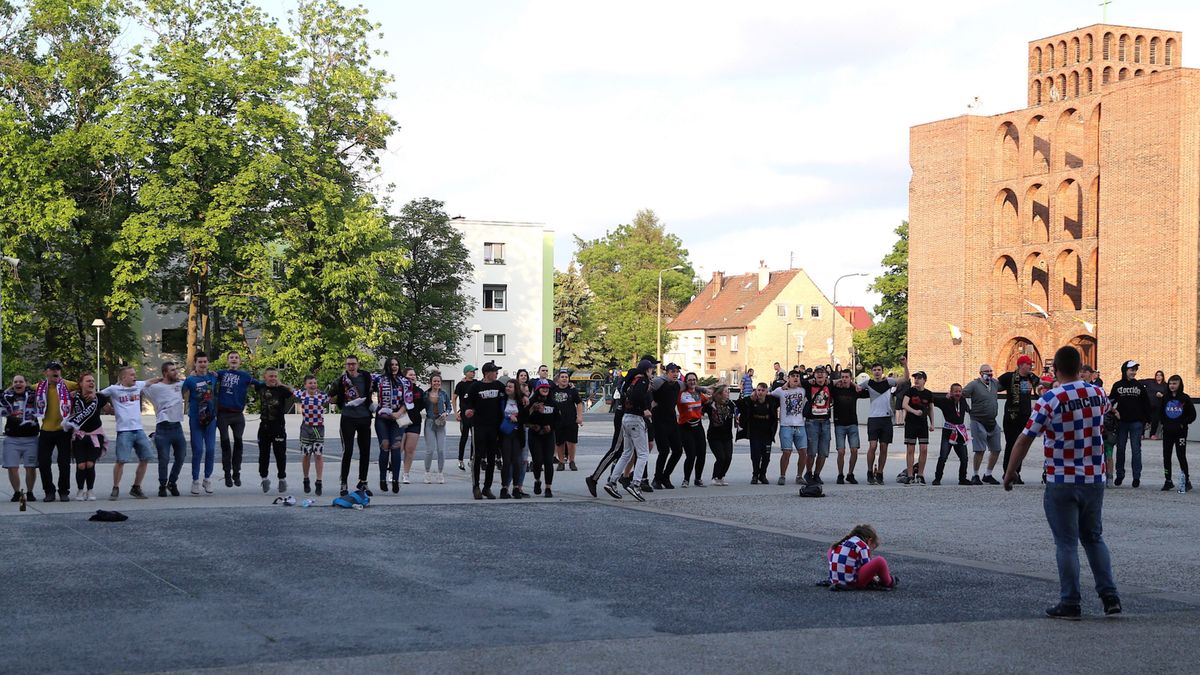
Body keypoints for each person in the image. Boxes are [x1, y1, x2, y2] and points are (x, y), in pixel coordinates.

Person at [1004, 345, 1120, 621]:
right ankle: (1110, 596)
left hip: (1062, 478)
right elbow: (1104, 417)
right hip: (1094, 477)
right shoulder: (1098, 393)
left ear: (1055, 369)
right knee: (1094, 537)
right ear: (1080, 367)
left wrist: (1010, 472)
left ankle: (1070, 602)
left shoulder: (1050, 399)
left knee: (1066, 543)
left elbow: (1025, 437)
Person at [100, 366, 154, 500]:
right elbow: (99, 396)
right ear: (123, 377)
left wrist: (164, 378)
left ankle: (136, 487)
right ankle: (115, 487)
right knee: (121, 460)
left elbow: (151, 381)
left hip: (138, 429)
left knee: (146, 457)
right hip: (124, 431)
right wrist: (107, 407)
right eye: (131, 375)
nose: (134, 377)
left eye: (135, 374)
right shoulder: (114, 389)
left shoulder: (138, 385)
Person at [604, 359, 654, 501]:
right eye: (651, 369)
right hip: (636, 419)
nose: (652, 372)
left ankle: (612, 481)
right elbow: (637, 395)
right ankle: (636, 483)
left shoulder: (630, 379)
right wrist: (644, 409)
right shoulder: (642, 380)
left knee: (627, 452)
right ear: (647, 369)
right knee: (643, 453)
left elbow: (625, 393)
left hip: (626, 417)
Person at [328, 355, 373, 496]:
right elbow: (329, 396)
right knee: (347, 451)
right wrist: (337, 401)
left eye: (353, 364)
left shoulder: (366, 376)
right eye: (348, 364)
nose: (351, 367)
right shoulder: (342, 380)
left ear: (358, 364)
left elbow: (375, 388)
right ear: (345, 366)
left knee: (365, 451)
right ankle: (344, 482)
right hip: (348, 418)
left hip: (364, 417)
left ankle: (363, 481)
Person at [62, 372, 109, 501]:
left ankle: (90, 490)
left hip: (95, 435)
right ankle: (80, 490)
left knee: (90, 464)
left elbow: (109, 410)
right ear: (81, 384)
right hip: (79, 435)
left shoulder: (99, 397)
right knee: (81, 465)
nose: (91, 383)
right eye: (88, 381)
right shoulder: (74, 397)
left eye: (93, 381)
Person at [35, 361, 78, 502]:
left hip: (63, 431)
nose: (56, 372)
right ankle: (49, 491)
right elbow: (21, 389)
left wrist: (76, 392)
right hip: (46, 431)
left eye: (58, 369)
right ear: (46, 372)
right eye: (52, 369)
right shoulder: (39, 387)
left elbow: (86, 386)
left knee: (64, 463)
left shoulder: (68, 384)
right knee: (43, 462)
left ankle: (64, 491)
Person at [215, 351, 259, 487]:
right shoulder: (221, 374)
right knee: (225, 444)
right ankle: (227, 473)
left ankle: (236, 472)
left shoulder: (245, 376)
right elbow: (207, 377)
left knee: (238, 443)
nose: (234, 359)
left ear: (240, 361)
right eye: (231, 358)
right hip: (223, 414)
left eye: (236, 358)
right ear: (227, 361)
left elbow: (260, 384)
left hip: (238, 415)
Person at [143, 362, 186, 497]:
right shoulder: (156, 388)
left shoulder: (179, 385)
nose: (176, 372)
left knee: (181, 456)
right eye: (172, 370)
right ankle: (162, 484)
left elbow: (193, 380)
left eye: (176, 369)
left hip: (177, 427)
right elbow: (140, 386)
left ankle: (172, 482)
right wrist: (153, 380)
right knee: (164, 458)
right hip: (163, 427)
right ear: (165, 373)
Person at [864, 357, 909, 485]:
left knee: (884, 447)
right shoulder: (868, 383)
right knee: (872, 446)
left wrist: (905, 365)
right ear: (872, 372)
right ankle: (869, 471)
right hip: (873, 418)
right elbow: (854, 386)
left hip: (886, 419)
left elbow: (905, 379)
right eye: (874, 370)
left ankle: (880, 473)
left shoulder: (889, 382)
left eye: (879, 370)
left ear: (882, 371)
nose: (877, 372)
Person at [997, 354, 1041, 484]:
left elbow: (1040, 386)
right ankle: (1008, 473)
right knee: (1011, 445)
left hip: (1025, 417)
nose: (1031, 366)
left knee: (1021, 446)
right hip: (1012, 417)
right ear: (1021, 365)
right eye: (1029, 364)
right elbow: (995, 387)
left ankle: (1017, 473)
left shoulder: (1031, 378)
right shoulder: (1009, 377)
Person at [465, 361, 505, 500]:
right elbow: (467, 403)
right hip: (479, 426)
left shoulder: (499, 386)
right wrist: (468, 411)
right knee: (478, 456)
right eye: (495, 371)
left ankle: (487, 487)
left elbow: (509, 397)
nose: (497, 373)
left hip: (494, 426)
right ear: (487, 373)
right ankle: (476, 486)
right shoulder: (476, 386)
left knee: (492, 458)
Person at [1108, 360, 1151, 487]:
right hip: (1121, 422)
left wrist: (1148, 420)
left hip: (1136, 422)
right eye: (1131, 370)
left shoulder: (1139, 387)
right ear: (1125, 370)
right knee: (1120, 449)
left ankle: (1136, 477)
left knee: (1136, 450)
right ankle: (1120, 474)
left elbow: (1146, 404)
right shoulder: (1117, 385)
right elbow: (1110, 401)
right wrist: (1112, 412)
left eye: (1135, 370)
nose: (1134, 372)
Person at [254, 368, 296, 494]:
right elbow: (247, 381)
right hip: (264, 426)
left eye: (275, 376)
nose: (273, 378)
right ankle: (264, 478)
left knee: (280, 454)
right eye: (270, 376)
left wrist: (282, 384)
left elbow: (294, 393)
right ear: (265, 377)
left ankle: (282, 478)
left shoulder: (282, 390)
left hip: (278, 427)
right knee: (263, 454)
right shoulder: (260, 387)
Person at [372, 358, 411, 493]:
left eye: (396, 364)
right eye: (391, 364)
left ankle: (395, 479)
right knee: (385, 445)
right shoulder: (379, 379)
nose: (394, 367)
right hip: (382, 417)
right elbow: (365, 386)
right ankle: (382, 478)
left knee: (396, 447)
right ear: (387, 366)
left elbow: (409, 400)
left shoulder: (405, 381)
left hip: (398, 417)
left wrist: (398, 413)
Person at [962, 364, 1003, 485]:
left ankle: (988, 474)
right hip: (978, 420)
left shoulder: (994, 383)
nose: (989, 373)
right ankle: (975, 475)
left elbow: (1005, 385)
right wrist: (967, 409)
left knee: (996, 449)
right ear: (980, 373)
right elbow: (961, 394)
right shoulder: (974, 385)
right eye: (986, 371)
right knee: (980, 450)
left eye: (991, 371)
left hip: (992, 421)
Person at [3, 375, 41, 502]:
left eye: (21, 381)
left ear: (26, 383)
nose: (18, 384)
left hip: (30, 437)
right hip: (12, 438)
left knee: (30, 467)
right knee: (12, 467)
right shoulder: (6, 396)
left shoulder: (34, 395)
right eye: (15, 382)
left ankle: (30, 492)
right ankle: (17, 492)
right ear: (12, 383)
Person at [827, 524, 896, 590]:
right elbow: (868, 568)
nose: (870, 553)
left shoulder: (842, 543)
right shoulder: (863, 546)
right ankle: (889, 582)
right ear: (869, 541)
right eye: (871, 549)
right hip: (852, 582)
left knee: (833, 551)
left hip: (834, 580)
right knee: (880, 561)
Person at [770, 369, 808, 486]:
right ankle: (782, 475)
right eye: (793, 376)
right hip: (786, 425)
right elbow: (769, 394)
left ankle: (799, 476)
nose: (795, 378)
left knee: (803, 452)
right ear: (788, 378)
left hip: (800, 425)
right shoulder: (781, 391)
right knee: (787, 452)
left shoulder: (803, 390)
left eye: (797, 376)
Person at [831, 368, 868, 484]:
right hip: (839, 424)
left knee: (854, 450)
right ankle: (840, 474)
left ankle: (850, 474)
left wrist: (854, 384)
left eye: (847, 377)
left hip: (852, 423)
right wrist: (837, 381)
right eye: (842, 377)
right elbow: (827, 384)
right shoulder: (836, 389)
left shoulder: (854, 389)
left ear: (851, 378)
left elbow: (867, 389)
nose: (844, 379)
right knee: (841, 451)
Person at [651, 363, 685, 489]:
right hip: (659, 420)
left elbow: (693, 386)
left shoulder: (679, 384)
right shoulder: (659, 382)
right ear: (667, 372)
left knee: (678, 450)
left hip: (671, 420)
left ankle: (666, 476)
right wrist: (650, 403)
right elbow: (645, 390)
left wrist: (706, 389)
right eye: (673, 371)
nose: (676, 374)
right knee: (664, 451)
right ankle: (657, 479)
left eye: (677, 371)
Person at [1159, 374, 1194, 492]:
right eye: (1170, 383)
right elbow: (1161, 413)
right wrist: (1164, 423)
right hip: (1168, 432)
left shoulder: (1185, 398)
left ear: (1180, 385)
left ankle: (1186, 480)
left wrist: (1183, 423)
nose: (1172, 386)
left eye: (1175, 383)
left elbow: (1192, 415)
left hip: (1180, 433)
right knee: (1166, 456)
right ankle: (1168, 480)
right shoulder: (1165, 398)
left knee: (1181, 456)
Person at [738, 383, 779, 484]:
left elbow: (782, 395)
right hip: (754, 433)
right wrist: (749, 398)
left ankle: (763, 474)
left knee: (766, 456)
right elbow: (739, 404)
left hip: (767, 433)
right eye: (759, 390)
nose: (760, 392)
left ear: (766, 392)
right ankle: (755, 474)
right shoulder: (751, 401)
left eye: (762, 390)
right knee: (755, 455)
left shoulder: (772, 401)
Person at [932, 383, 971, 486]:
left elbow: (968, 410)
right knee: (943, 456)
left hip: (960, 433)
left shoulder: (963, 400)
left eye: (959, 391)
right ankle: (937, 478)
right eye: (955, 391)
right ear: (951, 392)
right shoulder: (945, 401)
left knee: (964, 458)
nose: (958, 393)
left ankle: (962, 479)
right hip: (948, 432)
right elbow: (932, 398)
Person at [295, 375, 329, 496]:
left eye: (315, 383)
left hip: (318, 428)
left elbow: (333, 398)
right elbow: (289, 389)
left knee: (318, 455)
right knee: (306, 454)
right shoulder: (302, 395)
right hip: (306, 427)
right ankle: (306, 479)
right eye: (310, 383)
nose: (313, 385)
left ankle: (319, 481)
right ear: (305, 385)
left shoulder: (322, 396)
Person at [900, 371, 935, 484]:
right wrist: (914, 411)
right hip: (911, 423)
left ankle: (920, 474)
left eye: (919, 378)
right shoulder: (910, 391)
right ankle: (910, 475)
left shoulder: (928, 394)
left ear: (924, 380)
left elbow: (930, 409)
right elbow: (904, 404)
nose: (916, 380)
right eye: (915, 378)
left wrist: (932, 423)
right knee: (910, 449)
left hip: (922, 424)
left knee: (924, 449)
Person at [526, 377, 560, 497]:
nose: (545, 389)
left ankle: (548, 487)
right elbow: (524, 420)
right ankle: (537, 480)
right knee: (537, 460)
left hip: (548, 435)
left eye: (546, 388)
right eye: (542, 388)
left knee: (548, 461)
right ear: (537, 389)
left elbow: (558, 420)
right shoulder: (531, 402)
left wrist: (551, 427)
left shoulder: (553, 403)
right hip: (535, 434)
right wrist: (532, 410)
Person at [676, 372, 710, 487]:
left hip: (698, 426)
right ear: (686, 382)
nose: (692, 382)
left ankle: (698, 479)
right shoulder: (681, 394)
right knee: (691, 455)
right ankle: (686, 480)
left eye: (694, 379)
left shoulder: (699, 394)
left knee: (701, 453)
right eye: (690, 380)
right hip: (685, 427)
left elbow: (709, 399)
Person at [802, 367, 834, 484]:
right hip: (812, 422)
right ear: (814, 375)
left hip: (825, 422)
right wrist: (809, 379)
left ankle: (817, 474)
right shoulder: (809, 385)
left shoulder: (830, 385)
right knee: (811, 451)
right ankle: (808, 473)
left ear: (826, 375)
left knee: (824, 452)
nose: (820, 375)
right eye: (818, 373)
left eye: (822, 373)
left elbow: (843, 381)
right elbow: (796, 381)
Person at [498, 379, 527, 498]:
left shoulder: (521, 401)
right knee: (506, 461)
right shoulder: (502, 400)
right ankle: (504, 488)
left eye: (510, 387)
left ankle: (516, 487)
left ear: (515, 389)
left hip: (517, 433)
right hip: (505, 433)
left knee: (517, 461)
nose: (508, 388)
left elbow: (525, 417)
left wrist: (518, 419)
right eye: (507, 386)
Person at [551, 369, 583, 471]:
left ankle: (572, 461)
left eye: (566, 377)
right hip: (557, 421)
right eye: (562, 377)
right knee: (559, 442)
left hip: (571, 420)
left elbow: (579, 403)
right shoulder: (553, 390)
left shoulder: (572, 390)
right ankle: (561, 462)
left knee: (571, 442)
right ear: (558, 379)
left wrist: (579, 416)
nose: (564, 379)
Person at [705, 385, 736, 485]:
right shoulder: (711, 405)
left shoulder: (730, 404)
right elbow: (699, 407)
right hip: (714, 436)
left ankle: (721, 476)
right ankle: (714, 477)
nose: (728, 393)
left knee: (728, 457)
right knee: (721, 457)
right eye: (726, 391)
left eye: (728, 391)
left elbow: (737, 412)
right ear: (720, 394)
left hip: (727, 435)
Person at [423, 372, 451, 484]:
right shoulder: (426, 394)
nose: (436, 383)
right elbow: (420, 405)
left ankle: (440, 473)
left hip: (441, 423)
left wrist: (446, 413)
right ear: (431, 382)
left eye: (438, 381)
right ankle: (427, 473)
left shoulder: (444, 394)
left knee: (441, 450)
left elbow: (448, 407)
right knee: (430, 450)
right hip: (430, 422)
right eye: (434, 381)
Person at [400, 366, 425, 484]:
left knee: (409, 450)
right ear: (404, 377)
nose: (412, 377)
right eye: (410, 375)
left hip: (414, 422)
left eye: (414, 375)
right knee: (398, 449)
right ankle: (391, 471)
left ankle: (406, 474)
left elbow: (424, 404)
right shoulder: (399, 389)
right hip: (400, 421)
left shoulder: (419, 392)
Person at [453, 364, 477, 470]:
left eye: (474, 371)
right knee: (464, 436)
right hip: (464, 414)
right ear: (466, 372)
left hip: (475, 414)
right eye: (471, 371)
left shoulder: (476, 383)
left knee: (474, 438)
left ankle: (472, 459)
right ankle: (460, 459)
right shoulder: (461, 384)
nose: (473, 373)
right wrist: (455, 413)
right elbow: (454, 398)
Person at [1147, 370, 1168, 441]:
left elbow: (1168, 396)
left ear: (1162, 377)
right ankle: (1141, 434)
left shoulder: (1165, 385)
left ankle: (1152, 434)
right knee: (1145, 418)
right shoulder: (1151, 382)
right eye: (1157, 375)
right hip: (1149, 404)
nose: (1158, 376)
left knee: (1155, 420)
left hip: (1158, 405)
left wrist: (1162, 395)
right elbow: (1140, 382)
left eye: (1160, 375)